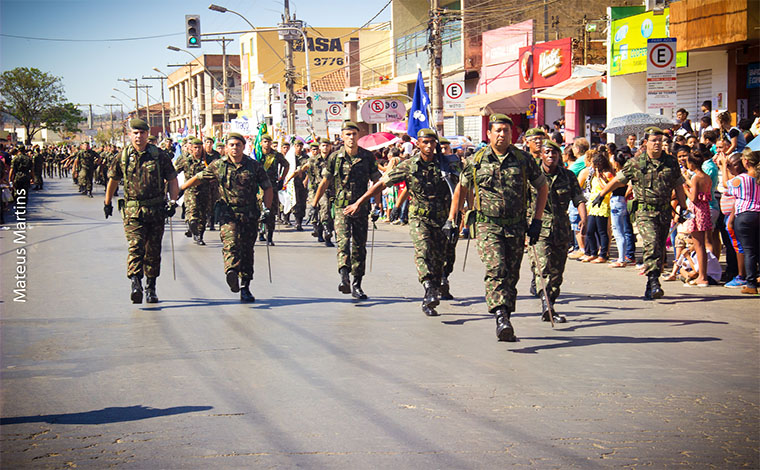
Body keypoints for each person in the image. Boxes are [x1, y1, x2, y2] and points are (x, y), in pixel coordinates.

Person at [445, 114, 548, 342]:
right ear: (489, 134)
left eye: (506, 131)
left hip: (516, 225)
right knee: (496, 268)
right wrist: (452, 219)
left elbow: (542, 187)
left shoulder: (523, 159)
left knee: (511, 274)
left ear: (512, 134)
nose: (502, 134)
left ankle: (506, 315)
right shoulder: (477, 160)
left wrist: (537, 220)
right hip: (487, 225)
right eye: (498, 130)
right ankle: (500, 315)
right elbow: (461, 190)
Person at [345, 128, 459, 316]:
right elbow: (381, 184)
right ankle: (429, 287)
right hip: (419, 218)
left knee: (439, 260)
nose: (429, 146)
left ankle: (432, 292)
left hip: (442, 218)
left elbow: (461, 186)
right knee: (423, 251)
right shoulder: (409, 166)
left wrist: (458, 215)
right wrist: (359, 202)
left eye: (432, 142)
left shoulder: (446, 165)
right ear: (418, 144)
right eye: (425, 142)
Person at [592, 127, 688, 300]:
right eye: (654, 140)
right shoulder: (636, 163)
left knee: (659, 248)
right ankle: (654, 282)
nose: (658, 144)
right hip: (644, 211)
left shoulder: (671, 163)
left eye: (660, 141)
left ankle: (651, 282)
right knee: (651, 244)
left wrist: (683, 207)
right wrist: (601, 194)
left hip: (664, 211)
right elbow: (618, 181)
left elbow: (678, 185)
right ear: (646, 143)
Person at [180, 132, 273, 302]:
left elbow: (267, 187)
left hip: (250, 214)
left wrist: (266, 209)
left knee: (246, 251)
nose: (235, 148)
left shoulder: (254, 166)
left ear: (244, 147)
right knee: (230, 244)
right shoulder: (218, 165)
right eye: (231, 145)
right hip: (227, 213)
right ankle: (231, 271)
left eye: (238, 145)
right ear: (226, 147)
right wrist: (181, 189)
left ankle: (245, 286)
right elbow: (199, 178)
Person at [104, 119, 179, 304]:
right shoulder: (123, 156)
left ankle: (151, 288)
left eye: (142, 133)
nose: (139, 136)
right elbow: (113, 180)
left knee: (153, 250)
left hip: (156, 211)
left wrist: (173, 201)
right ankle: (135, 282)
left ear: (147, 135)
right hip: (132, 211)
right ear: (130, 135)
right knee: (136, 246)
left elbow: (172, 179)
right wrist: (107, 202)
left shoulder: (159, 156)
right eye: (135, 133)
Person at [313, 121, 381, 300]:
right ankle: (344, 277)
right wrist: (314, 205)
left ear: (358, 136)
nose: (351, 138)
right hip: (342, 208)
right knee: (343, 242)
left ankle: (357, 283)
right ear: (342, 137)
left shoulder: (367, 157)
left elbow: (377, 182)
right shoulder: (335, 157)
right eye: (348, 134)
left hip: (361, 208)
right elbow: (325, 182)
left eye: (354, 134)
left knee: (359, 247)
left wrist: (377, 206)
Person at [528, 139, 586, 322]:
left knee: (557, 271)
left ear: (559, 155)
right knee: (542, 267)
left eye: (554, 153)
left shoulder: (568, 176)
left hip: (561, 228)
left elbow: (578, 198)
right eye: (547, 152)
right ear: (541, 155)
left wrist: (584, 217)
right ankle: (547, 305)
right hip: (539, 227)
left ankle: (551, 301)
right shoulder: (532, 174)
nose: (551, 156)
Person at [721, 149, 760, 295]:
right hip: (758, 213)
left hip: (745, 216)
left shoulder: (742, 179)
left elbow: (726, 184)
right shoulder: (757, 178)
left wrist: (723, 166)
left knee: (749, 250)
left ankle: (750, 283)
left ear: (747, 162)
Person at [683, 148, 714, 287]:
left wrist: (684, 188)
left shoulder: (696, 177)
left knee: (698, 244)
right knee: (703, 243)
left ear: (692, 164)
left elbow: (693, 197)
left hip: (696, 211)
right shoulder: (706, 177)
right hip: (705, 209)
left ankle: (702, 276)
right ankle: (703, 274)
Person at [580, 151, 615, 263]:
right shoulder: (595, 175)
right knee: (590, 231)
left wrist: (600, 178)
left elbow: (607, 189)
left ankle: (603, 254)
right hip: (593, 205)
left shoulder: (608, 174)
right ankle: (593, 252)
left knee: (602, 231)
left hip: (602, 205)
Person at [174, 138, 210, 245]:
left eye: (199, 147)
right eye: (195, 147)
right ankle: (192, 227)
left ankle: (199, 236)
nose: (197, 150)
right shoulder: (185, 160)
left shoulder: (207, 160)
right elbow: (174, 172)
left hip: (205, 190)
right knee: (192, 213)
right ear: (191, 148)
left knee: (203, 215)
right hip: (190, 191)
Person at [299, 137, 334, 246]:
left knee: (328, 212)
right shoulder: (313, 160)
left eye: (327, 145)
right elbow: (302, 169)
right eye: (323, 145)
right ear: (320, 147)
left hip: (332, 189)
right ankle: (319, 231)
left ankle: (327, 233)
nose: (325, 147)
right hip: (316, 189)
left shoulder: (333, 159)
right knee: (321, 208)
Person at [259, 134, 289, 245]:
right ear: (261, 143)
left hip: (271, 186)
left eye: (268, 142)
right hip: (258, 187)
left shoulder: (276, 155)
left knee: (271, 211)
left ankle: (269, 236)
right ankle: (260, 231)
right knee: (259, 211)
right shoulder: (257, 154)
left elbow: (286, 165)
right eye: (264, 142)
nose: (266, 144)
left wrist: (282, 178)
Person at [203, 136, 222, 231]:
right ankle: (205, 219)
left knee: (214, 202)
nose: (209, 144)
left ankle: (212, 222)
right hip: (203, 182)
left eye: (210, 143)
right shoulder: (202, 154)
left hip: (214, 182)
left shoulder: (216, 155)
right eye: (207, 142)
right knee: (205, 202)